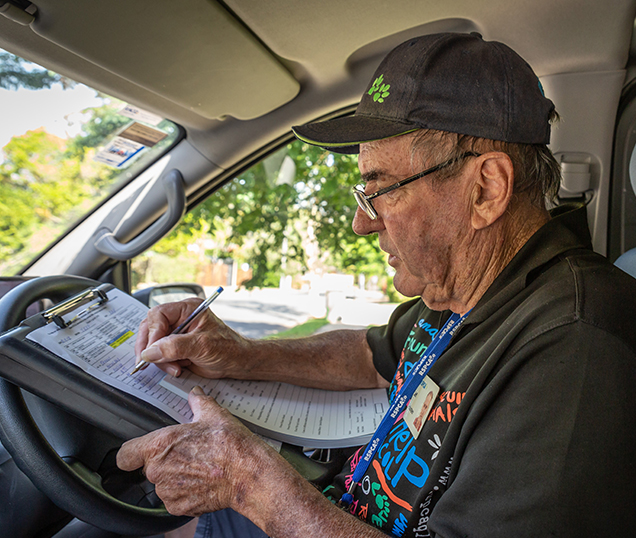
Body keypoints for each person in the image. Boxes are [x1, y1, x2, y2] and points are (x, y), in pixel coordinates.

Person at [117, 32, 636, 537]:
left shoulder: (576, 345)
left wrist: (249, 480)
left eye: (382, 190)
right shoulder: (459, 286)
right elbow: (370, 354)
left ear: (486, 189)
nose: (362, 223)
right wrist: (241, 353)